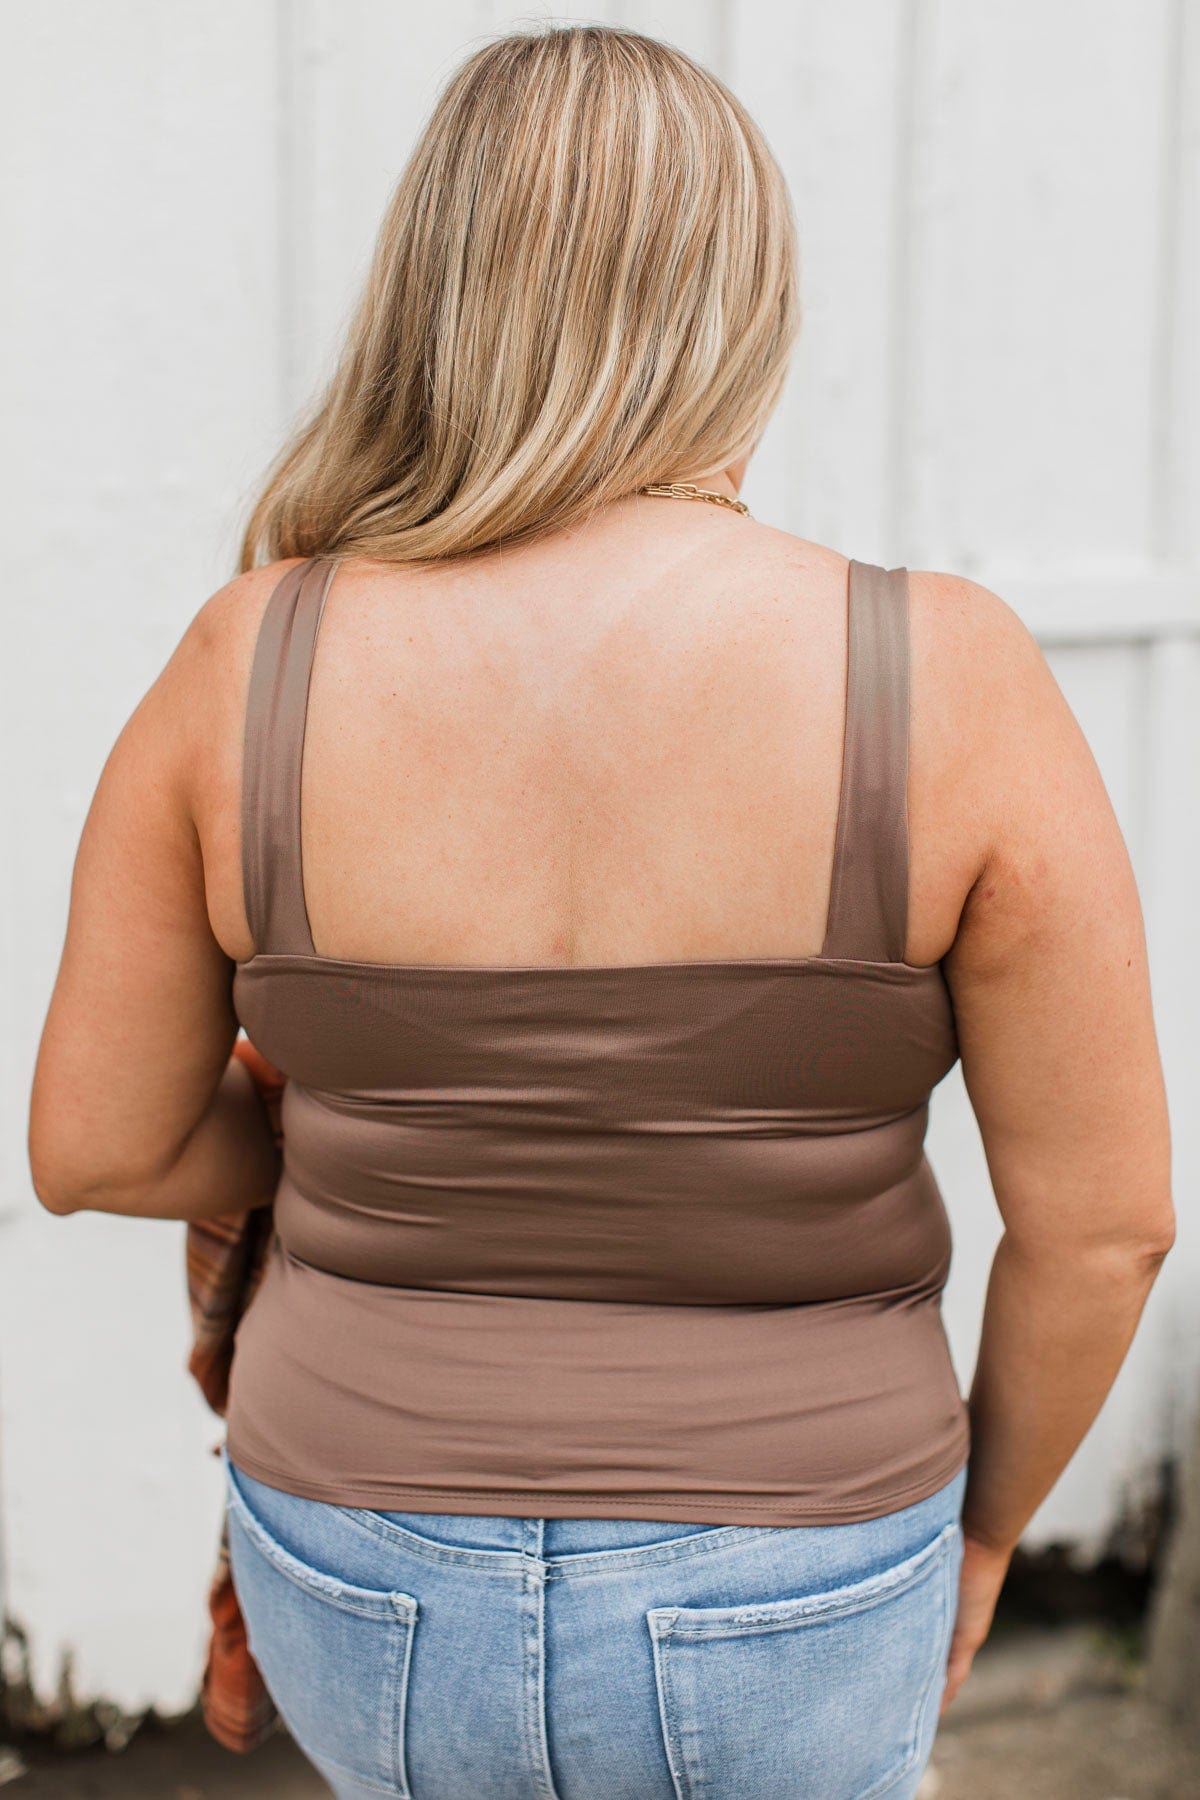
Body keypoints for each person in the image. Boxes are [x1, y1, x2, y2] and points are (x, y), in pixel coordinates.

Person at [27, 22, 1174, 1800]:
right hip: (804, 1558)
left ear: (438, 292)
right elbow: (1106, 1230)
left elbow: (92, 1142)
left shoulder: (250, 661)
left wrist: (366, 1138)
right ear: (743, 308)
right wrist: (987, 1535)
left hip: (358, 1550)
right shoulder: (942, 676)